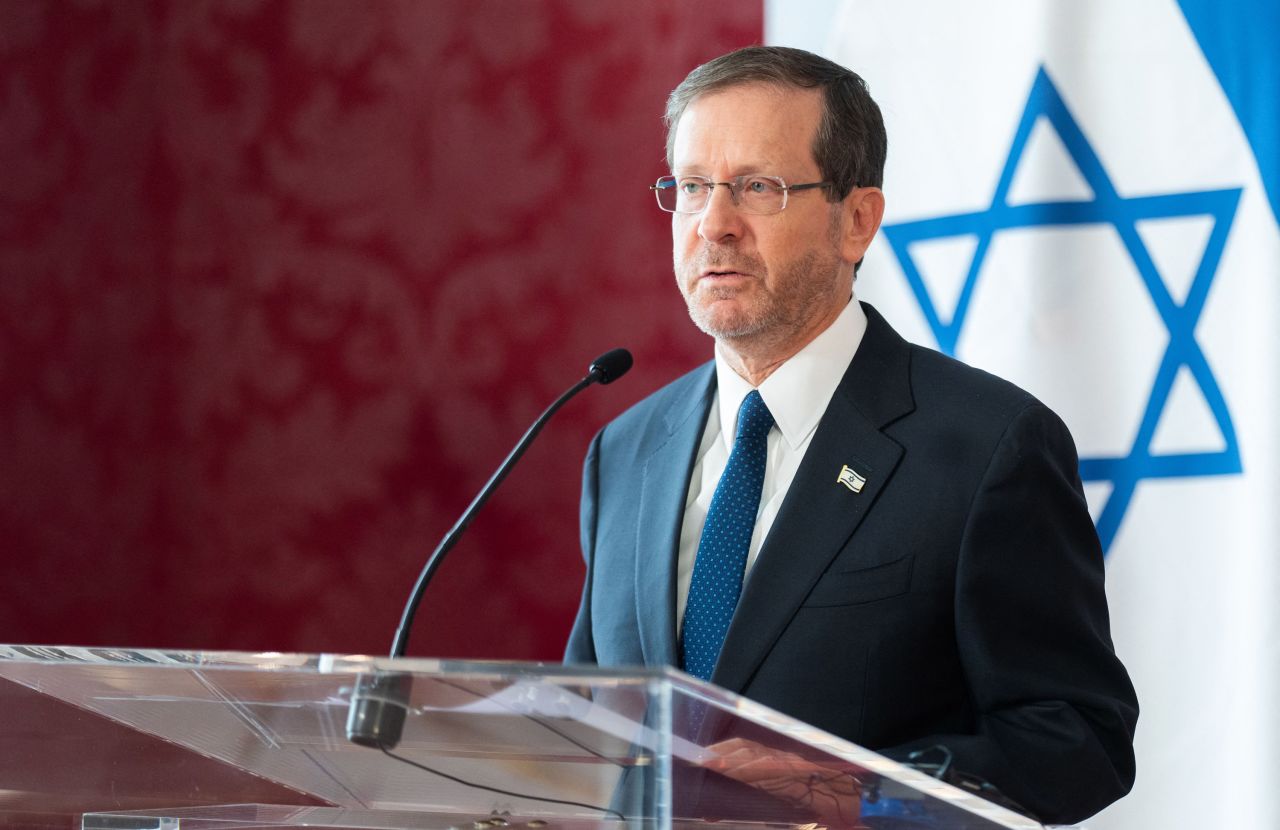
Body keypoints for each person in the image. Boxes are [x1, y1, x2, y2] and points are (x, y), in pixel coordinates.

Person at [565, 45, 1137, 826]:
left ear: (857, 220)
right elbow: (586, 724)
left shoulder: (988, 447)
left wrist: (856, 790)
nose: (715, 225)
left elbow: (1079, 740)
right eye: (692, 187)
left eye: (758, 188)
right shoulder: (626, 451)